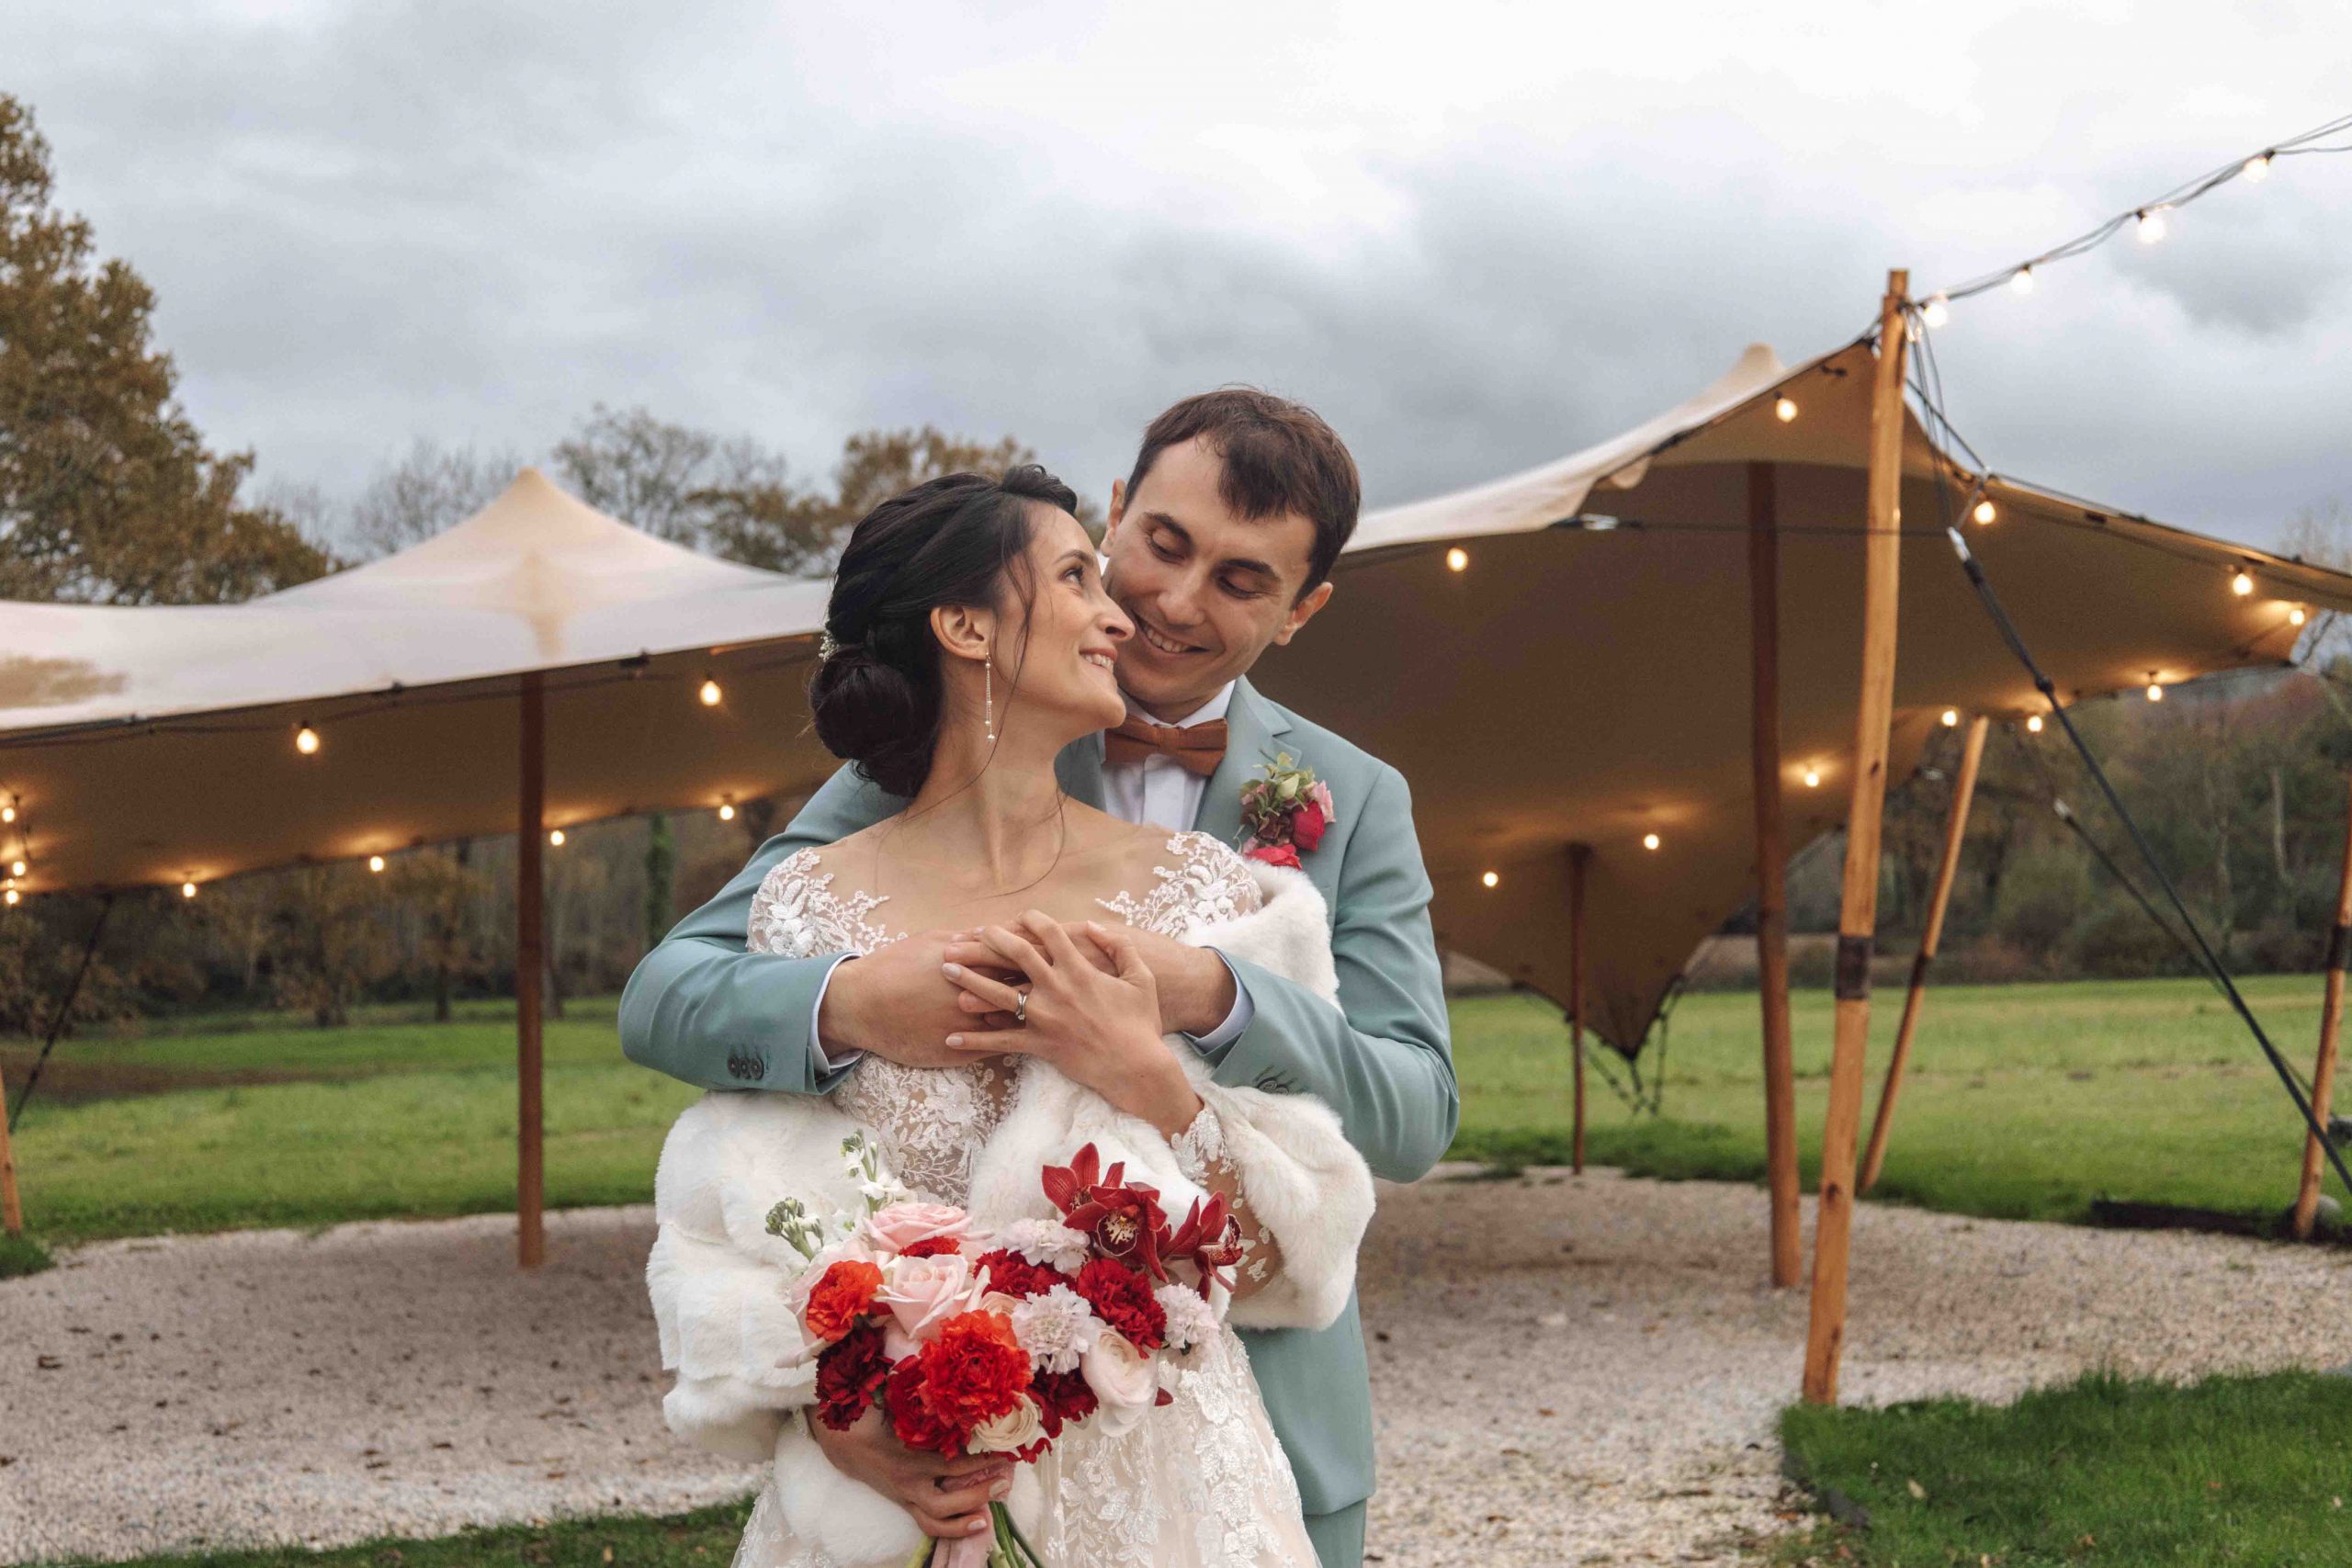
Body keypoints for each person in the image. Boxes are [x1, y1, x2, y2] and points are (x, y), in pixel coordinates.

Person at [626, 392, 1457, 1568]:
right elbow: (673, 996)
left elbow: (1415, 1114)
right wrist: (854, 1003)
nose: (1169, 604)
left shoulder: (1345, 801)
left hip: (1223, 1434)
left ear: (1302, 607)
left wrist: (1206, 993)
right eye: (1161, 546)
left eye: (1239, 580)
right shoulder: (905, 772)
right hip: (921, 1464)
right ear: (1118, 511)